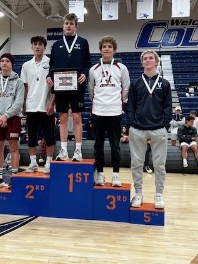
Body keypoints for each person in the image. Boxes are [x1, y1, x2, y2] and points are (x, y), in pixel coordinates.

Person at [126, 50, 172, 209]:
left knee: (159, 164)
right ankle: (138, 194)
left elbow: (168, 107)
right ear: (142, 63)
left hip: (158, 129)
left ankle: (159, 194)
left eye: (150, 58)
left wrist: (165, 125)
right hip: (138, 128)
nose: (147, 60)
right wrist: (131, 122)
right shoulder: (136, 83)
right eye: (145, 58)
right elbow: (130, 106)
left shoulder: (164, 83)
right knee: (136, 163)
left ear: (156, 61)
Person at [47, 13, 91, 161]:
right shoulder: (57, 44)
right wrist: (49, 77)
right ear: (63, 26)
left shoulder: (83, 42)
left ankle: (78, 150)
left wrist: (84, 73)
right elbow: (51, 66)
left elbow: (87, 63)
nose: (68, 26)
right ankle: (64, 150)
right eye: (66, 23)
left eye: (71, 24)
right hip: (61, 87)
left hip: (77, 86)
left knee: (77, 116)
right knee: (63, 117)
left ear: (76, 27)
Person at [88, 36, 130, 187]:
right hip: (98, 111)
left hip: (115, 112)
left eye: (109, 47)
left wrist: (119, 102)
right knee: (98, 145)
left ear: (114, 50)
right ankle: (100, 174)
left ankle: (116, 175)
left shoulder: (121, 68)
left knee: (115, 146)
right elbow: (91, 91)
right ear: (100, 50)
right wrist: (98, 102)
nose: (107, 49)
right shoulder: (93, 69)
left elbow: (126, 88)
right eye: (104, 46)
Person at [0, 53, 24, 188]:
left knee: (14, 148)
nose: (4, 63)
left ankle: (14, 177)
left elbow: (19, 102)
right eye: (2, 60)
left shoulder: (18, 81)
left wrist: (6, 115)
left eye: (7, 61)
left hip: (12, 118)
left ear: (12, 63)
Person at [21, 36, 55, 173]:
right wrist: (24, 104)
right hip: (31, 105)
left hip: (46, 105)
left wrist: (52, 104)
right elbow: (25, 86)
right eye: (35, 44)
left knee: (49, 135)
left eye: (40, 44)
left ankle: (49, 163)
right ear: (32, 46)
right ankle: (33, 162)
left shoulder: (51, 62)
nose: (37, 47)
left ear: (44, 47)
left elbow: (55, 86)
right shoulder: (26, 65)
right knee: (32, 136)